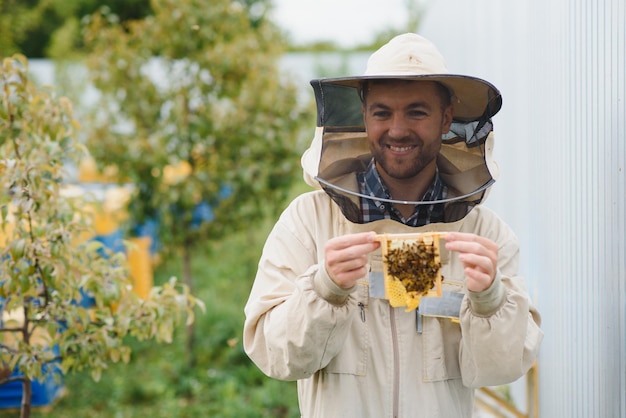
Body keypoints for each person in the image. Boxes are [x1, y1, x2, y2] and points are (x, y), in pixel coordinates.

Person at [243, 33, 542, 418]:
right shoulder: (308, 222)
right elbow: (275, 357)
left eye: (417, 112)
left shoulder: (484, 234)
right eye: (382, 112)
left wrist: (490, 301)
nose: (397, 130)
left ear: (446, 118)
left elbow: (502, 370)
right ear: (365, 116)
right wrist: (324, 290)